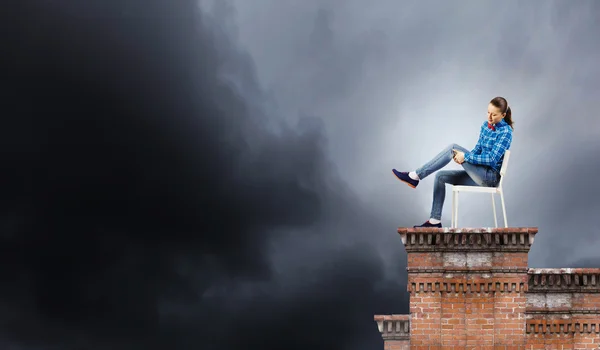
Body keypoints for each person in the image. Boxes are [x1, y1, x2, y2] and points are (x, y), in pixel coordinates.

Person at [392, 96, 514, 228]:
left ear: (503, 115)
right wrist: (462, 158)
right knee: (440, 177)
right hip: (478, 173)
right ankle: (434, 221)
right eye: (488, 112)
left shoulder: (506, 132)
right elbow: (477, 150)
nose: (489, 117)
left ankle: (415, 176)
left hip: (490, 178)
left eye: (494, 114)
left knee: (452, 148)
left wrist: (465, 158)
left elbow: (492, 159)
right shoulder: (485, 126)